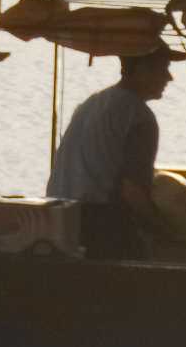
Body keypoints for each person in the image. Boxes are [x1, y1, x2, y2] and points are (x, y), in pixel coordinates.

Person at [47, 47, 179, 261]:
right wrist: (167, 232)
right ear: (142, 69)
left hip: (56, 219)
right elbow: (133, 192)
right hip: (97, 224)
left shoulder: (91, 103)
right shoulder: (139, 116)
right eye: (163, 69)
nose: (169, 78)